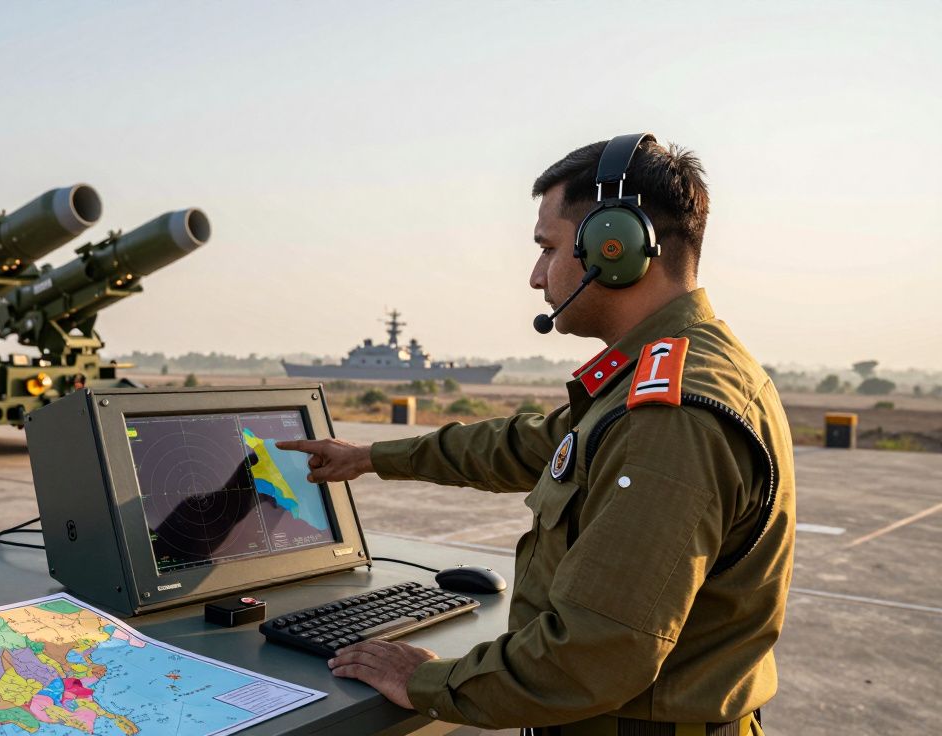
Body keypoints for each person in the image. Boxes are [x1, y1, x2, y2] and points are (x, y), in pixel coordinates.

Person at [277, 134, 794, 735]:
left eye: (547, 248)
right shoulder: (664, 373)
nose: (535, 275)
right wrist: (367, 456)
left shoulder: (668, 417)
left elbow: (592, 655)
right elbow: (526, 446)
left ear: (614, 248)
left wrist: (424, 680)